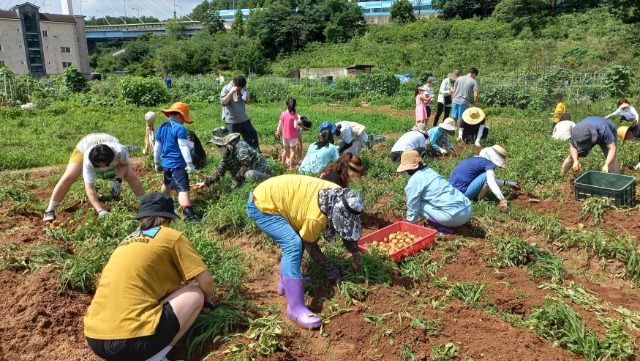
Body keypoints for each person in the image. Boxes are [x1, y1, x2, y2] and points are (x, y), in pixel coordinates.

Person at [84, 192, 215, 361]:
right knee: (195, 293)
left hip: (95, 338)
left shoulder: (126, 240)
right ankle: (156, 358)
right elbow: (207, 282)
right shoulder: (171, 236)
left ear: (141, 219)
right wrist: (207, 300)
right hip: (133, 342)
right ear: (169, 219)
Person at [246, 175, 364, 329]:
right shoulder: (316, 218)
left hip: (277, 197)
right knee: (293, 244)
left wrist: (355, 253)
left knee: (296, 242)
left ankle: (284, 286)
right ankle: (294, 308)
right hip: (263, 204)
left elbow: (347, 227)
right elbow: (311, 246)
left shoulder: (340, 195)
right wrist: (329, 268)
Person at [43, 133, 145, 221]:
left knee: (130, 175)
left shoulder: (119, 151)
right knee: (69, 176)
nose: (102, 168)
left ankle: (146, 204)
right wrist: (100, 210)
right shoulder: (88, 159)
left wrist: (117, 181)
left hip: (108, 143)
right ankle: (50, 210)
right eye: (98, 166)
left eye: (104, 165)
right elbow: (89, 187)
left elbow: (124, 165)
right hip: (85, 145)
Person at [397, 150, 472, 234]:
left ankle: (444, 229)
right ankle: (447, 220)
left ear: (406, 169)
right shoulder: (429, 171)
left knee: (418, 203)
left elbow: (413, 206)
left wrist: (410, 225)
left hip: (454, 217)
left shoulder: (413, 182)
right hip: (468, 209)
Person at [154, 102, 200, 222]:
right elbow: (183, 146)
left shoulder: (160, 127)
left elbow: (157, 147)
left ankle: (161, 206)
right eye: (184, 118)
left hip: (166, 164)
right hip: (177, 164)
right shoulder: (179, 128)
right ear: (180, 115)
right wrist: (189, 164)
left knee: (167, 183)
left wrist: (157, 163)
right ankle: (188, 215)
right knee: (183, 189)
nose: (184, 121)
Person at [193, 132, 274, 191]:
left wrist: (236, 180)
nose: (218, 148)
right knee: (236, 175)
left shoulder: (241, 146)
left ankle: (259, 191)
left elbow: (246, 165)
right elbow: (220, 171)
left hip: (265, 176)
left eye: (219, 145)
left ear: (226, 143)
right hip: (248, 177)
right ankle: (246, 188)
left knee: (249, 174)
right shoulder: (227, 154)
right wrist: (205, 183)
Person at [449, 145, 521, 210]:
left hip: (451, 192)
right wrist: (502, 199)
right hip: (463, 195)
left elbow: (486, 179)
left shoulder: (473, 160)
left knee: (486, 176)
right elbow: (491, 181)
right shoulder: (488, 164)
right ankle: (476, 200)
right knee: (486, 176)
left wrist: (510, 183)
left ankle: (475, 199)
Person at [220, 75, 260, 151]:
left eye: (242, 87)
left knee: (252, 135)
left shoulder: (243, 88)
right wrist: (230, 93)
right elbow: (223, 102)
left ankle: (254, 153)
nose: (241, 89)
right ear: (234, 84)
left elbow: (247, 101)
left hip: (244, 119)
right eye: (239, 87)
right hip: (232, 121)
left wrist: (248, 97)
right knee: (233, 142)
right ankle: (233, 158)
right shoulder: (226, 89)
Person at [275, 97, 300, 170]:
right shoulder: (294, 115)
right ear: (295, 105)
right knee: (292, 151)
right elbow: (295, 126)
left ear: (286, 105)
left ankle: (282, 164)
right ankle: (290, 166)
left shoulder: (283, 114)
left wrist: (278, 132)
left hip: (285, 136)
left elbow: (279, 125)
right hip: (292, 136)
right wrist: (299, 125)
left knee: (285, 150)